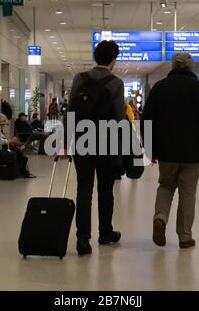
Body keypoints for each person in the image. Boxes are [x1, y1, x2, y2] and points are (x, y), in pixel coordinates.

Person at [142, 52, 199, 249]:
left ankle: (160, 219)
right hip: (193, 152)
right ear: (191, 67)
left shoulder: (159, 88)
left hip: (166, 151)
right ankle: (185, 237)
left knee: (165, 186)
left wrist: (150, 148)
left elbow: (147, 120)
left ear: (172, 66)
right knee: (188, 192)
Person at [62, 40, 126, 256]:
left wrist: (65, 143)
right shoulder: (116, 83)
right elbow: (119, 119)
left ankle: (82, 240)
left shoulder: (79, 78)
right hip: (107, 143)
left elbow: (70, 111)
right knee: (106, 190)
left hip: (82, 141)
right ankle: (105, 233)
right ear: (113, 60)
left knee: (84, 189)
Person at [0, 113, 35, 179]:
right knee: (17, 153)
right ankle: (23, 173)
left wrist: (10, 142)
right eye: (3, 123)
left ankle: (22, 172)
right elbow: (1, 141)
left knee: (17, 151)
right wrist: (11, 141)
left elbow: (3, 140)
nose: (4, 125)